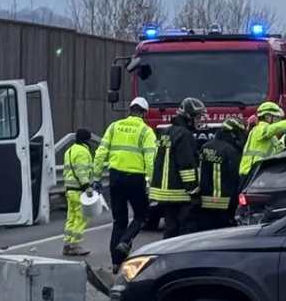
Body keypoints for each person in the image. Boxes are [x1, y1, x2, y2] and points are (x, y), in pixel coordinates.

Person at [95, 97, 157, 267]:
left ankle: (115, 263)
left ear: (130, 110)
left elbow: (100, 153)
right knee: (141, 215)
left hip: (115, 177)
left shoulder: (114, 127)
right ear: (144, 113)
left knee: (119, 221)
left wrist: (96, 178)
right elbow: (150, 160)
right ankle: (126, 241)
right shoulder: (146, 131)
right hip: (135, 179)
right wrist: (151, 184)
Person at [151, 97, 204, 238]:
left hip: (164, 191)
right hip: (178, 192)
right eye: (198, 117)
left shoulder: (166, 132)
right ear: (188, 117)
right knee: (183, 231)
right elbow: (186, 165)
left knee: (170, 228)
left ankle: (165, 255)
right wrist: (194, 190)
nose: (200, 120)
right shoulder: (184, 135)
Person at [239, 102, 286, 177]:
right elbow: (276, 127)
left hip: (259, 173)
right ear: (268, 117)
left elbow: (280, 150)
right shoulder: (259, 130)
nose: (279, 120)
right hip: (250, 172)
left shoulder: (269, 136)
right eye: (277, 117)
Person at [197, 117, 245, 230]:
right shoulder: (231, 151)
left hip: (205, 200)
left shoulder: (206, 146)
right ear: (233, 133)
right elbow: (234, 177)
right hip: (224, 202)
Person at [61, 128, 94, 256]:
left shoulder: (69, 150)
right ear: (86, 139)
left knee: (71, 218)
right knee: (81, 218)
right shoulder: (82, 152)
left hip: (69, 190)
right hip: (79, 190)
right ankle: (75, 245)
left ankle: (67, 244)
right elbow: (81, 171)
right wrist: (87, 186)